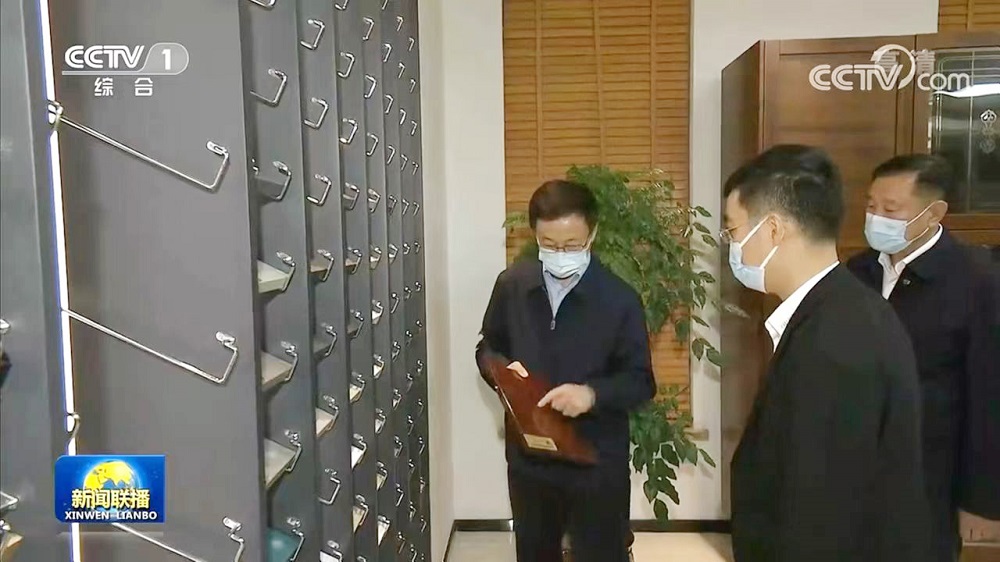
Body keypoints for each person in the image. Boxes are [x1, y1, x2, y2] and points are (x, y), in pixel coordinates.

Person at [725, 145, 933, 562]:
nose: (731, 244)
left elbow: (820, 513)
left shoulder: (835, 341)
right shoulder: (839, 309)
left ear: (772, 229)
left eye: (732, 230)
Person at [475, 179, 655, 562]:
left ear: (592, 235)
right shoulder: (512, 286)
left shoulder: (619, 300)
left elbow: (640, 381)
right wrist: (501, 372)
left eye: (571, 245)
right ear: (535, 236)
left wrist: (591, 395)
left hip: (596, 460)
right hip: (531, 458)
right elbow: (487, 347)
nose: (560, 254)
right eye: (549, 244)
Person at [847, 154, 1000, 561]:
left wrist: (982, 500)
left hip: (931, 475)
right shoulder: (857, 272)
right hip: (858, 466)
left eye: (891, 209)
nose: (876, 218)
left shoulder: (977, 281)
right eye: (871, 205)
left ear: (934, 214)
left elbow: (989, 397)